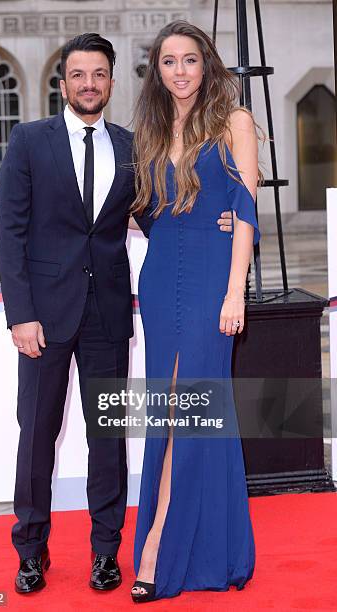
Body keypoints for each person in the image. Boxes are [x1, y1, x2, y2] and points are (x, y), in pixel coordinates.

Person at [0, 32, 234, 596]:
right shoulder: (30, 141)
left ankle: (107, 553)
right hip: (44, 319)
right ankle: (31, 551)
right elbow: (11, 233)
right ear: (63, 84)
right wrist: (20, 314)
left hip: (107, 314)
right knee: (38, 435)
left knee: (107, 438)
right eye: (78, 75)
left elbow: (159, 216)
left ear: (110, 81)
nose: (89, 84)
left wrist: (217, 223)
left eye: (99, 74)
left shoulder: (133, 145)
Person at [130, 20, 261, 603]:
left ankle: (159, 541)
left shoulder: (234, 123)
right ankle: (205, 544)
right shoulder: (154, 131)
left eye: (189, 60)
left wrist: (235, 291)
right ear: (156, 72)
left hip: (212, 280)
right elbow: (148, 211)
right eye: (168, 62)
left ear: (205, 66)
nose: (179, 71)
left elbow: (246, 211)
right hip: (160, 281)